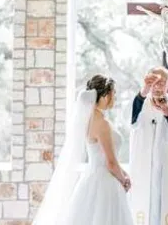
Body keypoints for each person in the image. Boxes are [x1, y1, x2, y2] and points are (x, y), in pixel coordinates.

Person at [32, 75, 134, 225]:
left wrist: (123, 173)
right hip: (106, 182)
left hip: (91, 178)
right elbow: (110, 163)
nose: (115, 97)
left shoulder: (88, 119)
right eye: (114, 93)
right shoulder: (103, 124)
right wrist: (124, 180)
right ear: (105, 95)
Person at [129, 66, 168, 225]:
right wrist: (143, 92)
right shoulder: (141, 102)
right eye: (153, 82)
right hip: (145, 168)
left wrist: (167, 112)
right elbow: (131, 123)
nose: (157, 86)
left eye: (162, 82)